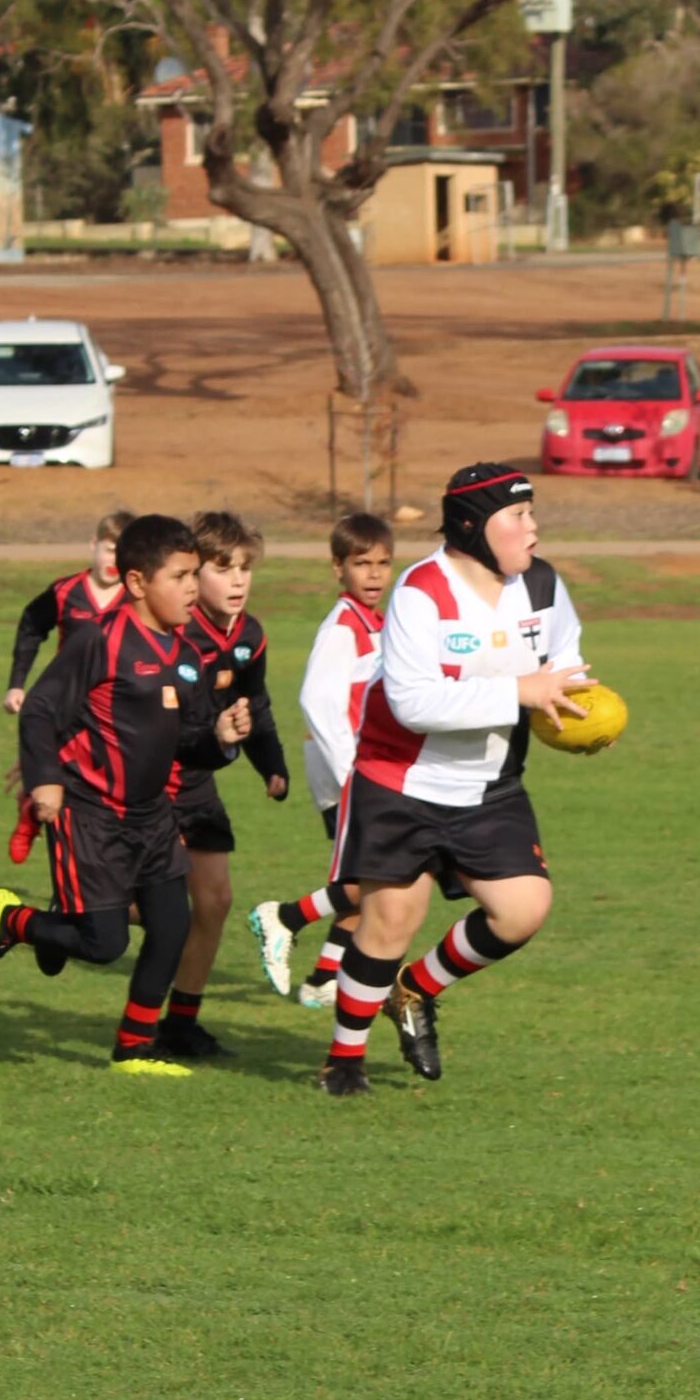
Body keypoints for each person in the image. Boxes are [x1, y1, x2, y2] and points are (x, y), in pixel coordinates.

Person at [317, 464, 592, 1097]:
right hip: (400, 782)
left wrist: (585, 708)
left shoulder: (542, 585)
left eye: (531, 513)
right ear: (472, 526)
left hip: (490, 786)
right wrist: (520, 690)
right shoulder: (421, 592)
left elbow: (564, 663)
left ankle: (415, 990)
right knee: (388, 923)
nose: (533, 527)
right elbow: (413, 703)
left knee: (523, 910)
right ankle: (343, 1063)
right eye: (517, 516)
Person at [0, 514, 251, 1077]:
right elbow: (42, 708)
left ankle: (133, 1049)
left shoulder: (184, 653)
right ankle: (10, 921)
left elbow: (186, 743)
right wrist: (45, 777)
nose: (193, 588)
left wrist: (221, 738)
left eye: (195, 575)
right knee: (103, 944)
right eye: (179, 577)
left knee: (172, 926)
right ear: (138, 582)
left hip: (153, 816)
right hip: (91, 814)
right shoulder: (101, 639)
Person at [248, 512, 393, 1008]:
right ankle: (284, 917)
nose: (373, 574)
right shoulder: (342, 628)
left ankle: (323, 980)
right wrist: (353, 771)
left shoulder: (375, 623)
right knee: (378, 878)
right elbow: (316, 700)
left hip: (363, 768)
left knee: (370, 879)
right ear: (338, 568)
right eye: (361, 563)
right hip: (345, 771)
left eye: (382, 563)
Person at [159, 510, 290, 1060]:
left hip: (198, 785)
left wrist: (271, 764)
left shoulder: (249, 636)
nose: (238, 581)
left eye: (244, 568)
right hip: (151, 786)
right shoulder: (173, 633)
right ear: (194, 573)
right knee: (148, 910)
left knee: (214, 901)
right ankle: (36, 924)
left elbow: (254, 704)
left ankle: (181, 1023)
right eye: (223, 568)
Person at [3, 509, 136, 862]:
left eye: (123, 554)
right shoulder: (65, 592)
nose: (114, 561)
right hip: (68, 703)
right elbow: (31, 626)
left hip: (115, 706)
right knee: (59, 776)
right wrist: (17, 684)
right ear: (94, 544)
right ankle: (34, 812)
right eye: (110, 550)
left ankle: (34, 805)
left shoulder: (137, 599)